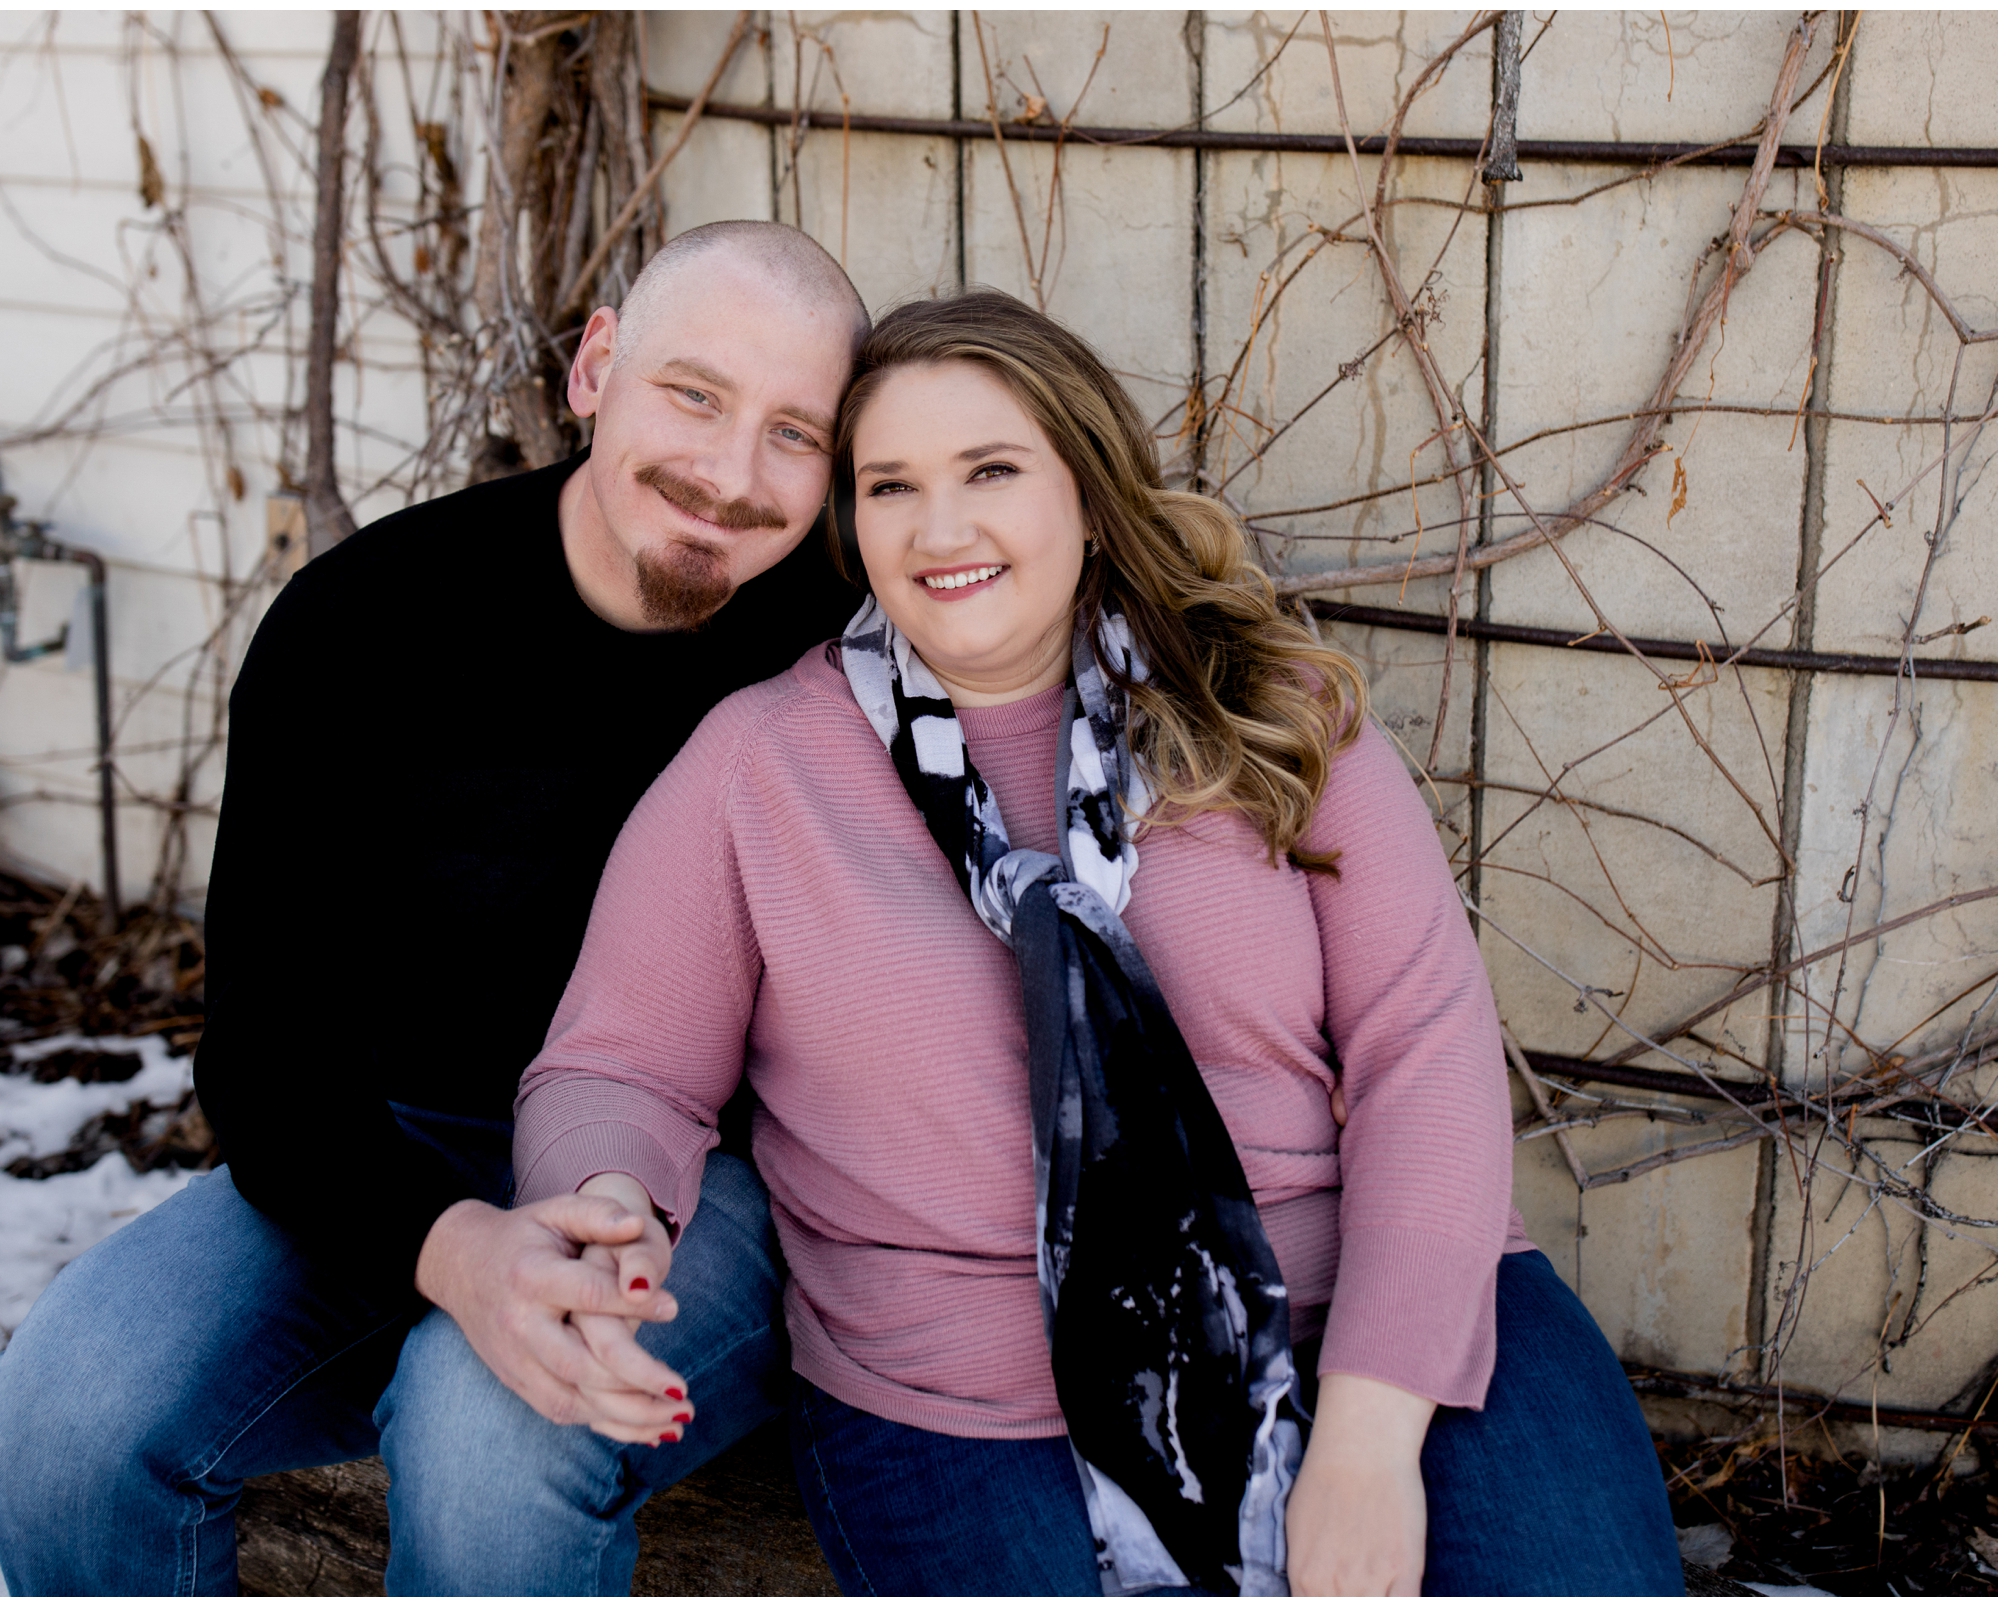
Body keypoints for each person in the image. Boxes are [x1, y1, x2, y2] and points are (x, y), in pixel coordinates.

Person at [512, 290, 1686, 1596]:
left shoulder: (1266, 712)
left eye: (991, 472)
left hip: (1362, 1302)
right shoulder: (763, 766)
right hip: (964, 1386)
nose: (940, 528)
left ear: (1086, 488)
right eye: (891, 485)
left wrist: (1364, 1436)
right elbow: (616, 1065)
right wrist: (609, 1196)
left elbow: (1425, 1051)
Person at [0, 221, 870, 1594]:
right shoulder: (368, 624)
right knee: (71, 1413)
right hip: (401, 1140)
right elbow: (267, 1057)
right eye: (692, 395)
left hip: (716, 1178)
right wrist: (454, 1249)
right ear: (597, 368)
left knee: (495, 1426)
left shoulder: (852, 641)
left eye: (792, 434)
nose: (729, 478)